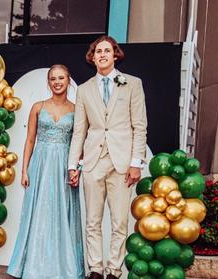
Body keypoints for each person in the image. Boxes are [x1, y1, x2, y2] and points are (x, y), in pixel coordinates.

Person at [68, 36, 148, 279]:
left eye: (106, 51)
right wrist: (73, 165)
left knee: (119, 221)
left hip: (122, 163)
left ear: (115, 55)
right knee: (92, 220)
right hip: (92, 162)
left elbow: (140, 126)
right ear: (92, 58)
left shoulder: (132, 84)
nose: (102, 55)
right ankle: (95, 269)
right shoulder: (83, 89)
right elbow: (79, 130)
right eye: (97, 52)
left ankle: (113, 270)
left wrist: (136, 163)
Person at [6, 64, 84, 279]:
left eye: (61, 78)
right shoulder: (37, 107)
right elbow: (30, 140)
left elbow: (81, 144)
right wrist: (24, 170)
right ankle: (32, 266)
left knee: (62, 212)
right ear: (48, 82)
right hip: (40, 164)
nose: (57, 82)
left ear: (69, 80)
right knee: (38, 212)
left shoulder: (78, 110)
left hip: (64, 166)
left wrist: (77, 168)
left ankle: (63, 267)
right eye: (53, 79)